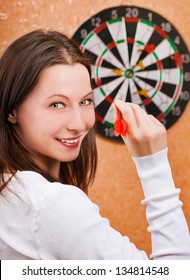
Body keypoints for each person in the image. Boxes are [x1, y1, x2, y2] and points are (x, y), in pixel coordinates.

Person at [0, 29, 189, 260]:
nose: (79, 124)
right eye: (57, 105)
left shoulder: (11, 191)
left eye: (85, 101)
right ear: (11, 110)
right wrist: (153, 163)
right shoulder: (53, 206)